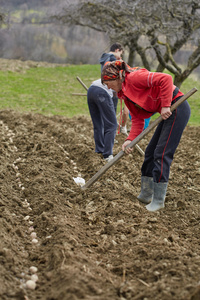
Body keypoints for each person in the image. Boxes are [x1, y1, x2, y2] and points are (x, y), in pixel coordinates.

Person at [101, 60, 191, 212]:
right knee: (150, 152)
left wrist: (165, 105)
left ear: (116, 77)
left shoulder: (135, 77)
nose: (108, 87)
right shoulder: (124, 93)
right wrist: (130, 140)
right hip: (167, 111)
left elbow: (166, 79)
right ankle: (146, 194)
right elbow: (138, 119)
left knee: (161, 154)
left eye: (108, 83)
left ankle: (158, 200)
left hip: (177, 107)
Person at [100, 42, 128, 135]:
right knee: (111, 114)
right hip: (112, 91)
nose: (120, 56)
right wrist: (120, 62)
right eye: (120, 53)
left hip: (103, 89)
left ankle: (105, 135)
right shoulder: (112, 59)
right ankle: (110, 136)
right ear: (117, 50)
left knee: (105, 114)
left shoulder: (104, 58)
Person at [87, 78, 118, 162]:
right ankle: (107, 155)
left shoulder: (115, 75)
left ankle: (99, 149)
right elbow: (121, 111)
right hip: (102, 93)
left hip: (91, 90)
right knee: (112, 125)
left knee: (98, 123)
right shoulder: (123, 83)